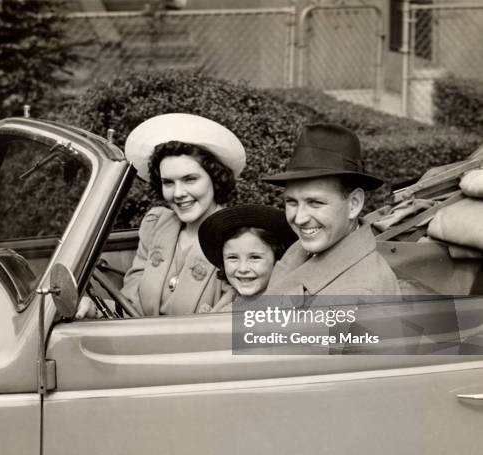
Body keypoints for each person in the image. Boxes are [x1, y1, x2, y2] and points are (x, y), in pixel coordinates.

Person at [76, 113, 246, 318]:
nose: (178, 193)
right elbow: (131, 309)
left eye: (190, 179)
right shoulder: (156, 226)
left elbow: (231, 323)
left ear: (215, 179)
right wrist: (95, 309)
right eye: (168, 182)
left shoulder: (239, 238)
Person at [262, 123, 401, 298]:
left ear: (354, 204)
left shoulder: (359, 293)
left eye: (315, 202)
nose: (299, 218)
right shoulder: (305, 247)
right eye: (291, 202)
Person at [198, 204, 296, 311]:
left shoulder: (285, 305)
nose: (243, 269)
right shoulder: (229, 300)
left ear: (277, 259)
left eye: (254, 257)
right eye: (232, 257)